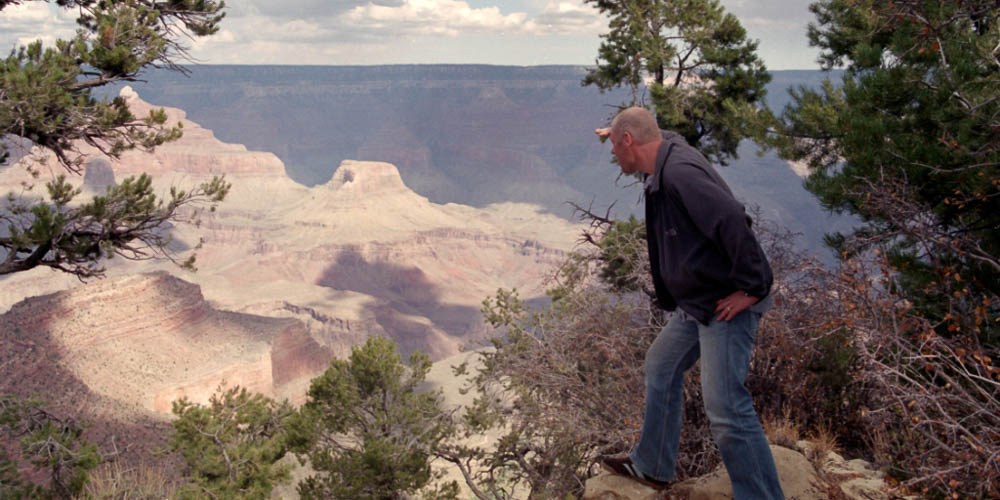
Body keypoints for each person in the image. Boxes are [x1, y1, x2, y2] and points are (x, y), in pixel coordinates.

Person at [595, 107, 784, 499]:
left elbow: (732, 218)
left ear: (630, 141)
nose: (613, 154)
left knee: (726, 407)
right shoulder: (663, 153)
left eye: (615, 145)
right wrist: (613, 129)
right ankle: (653, 465)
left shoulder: (679, 173)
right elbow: (656, 130)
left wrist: (753, 287)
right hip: (698, 302)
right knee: (661, 365)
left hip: (725, 304)